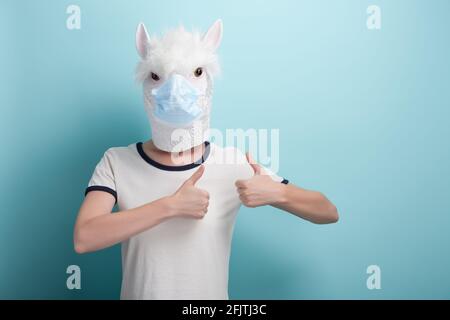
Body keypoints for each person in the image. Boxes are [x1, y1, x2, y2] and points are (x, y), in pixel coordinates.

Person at [73, 19, 338, 300]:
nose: (176, 91)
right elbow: (85, 237)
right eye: (157, 76)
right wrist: (169, 206)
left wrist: (279, 192)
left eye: (195, 72)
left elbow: (327, 212)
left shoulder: (233, 163)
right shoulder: (117, 161)